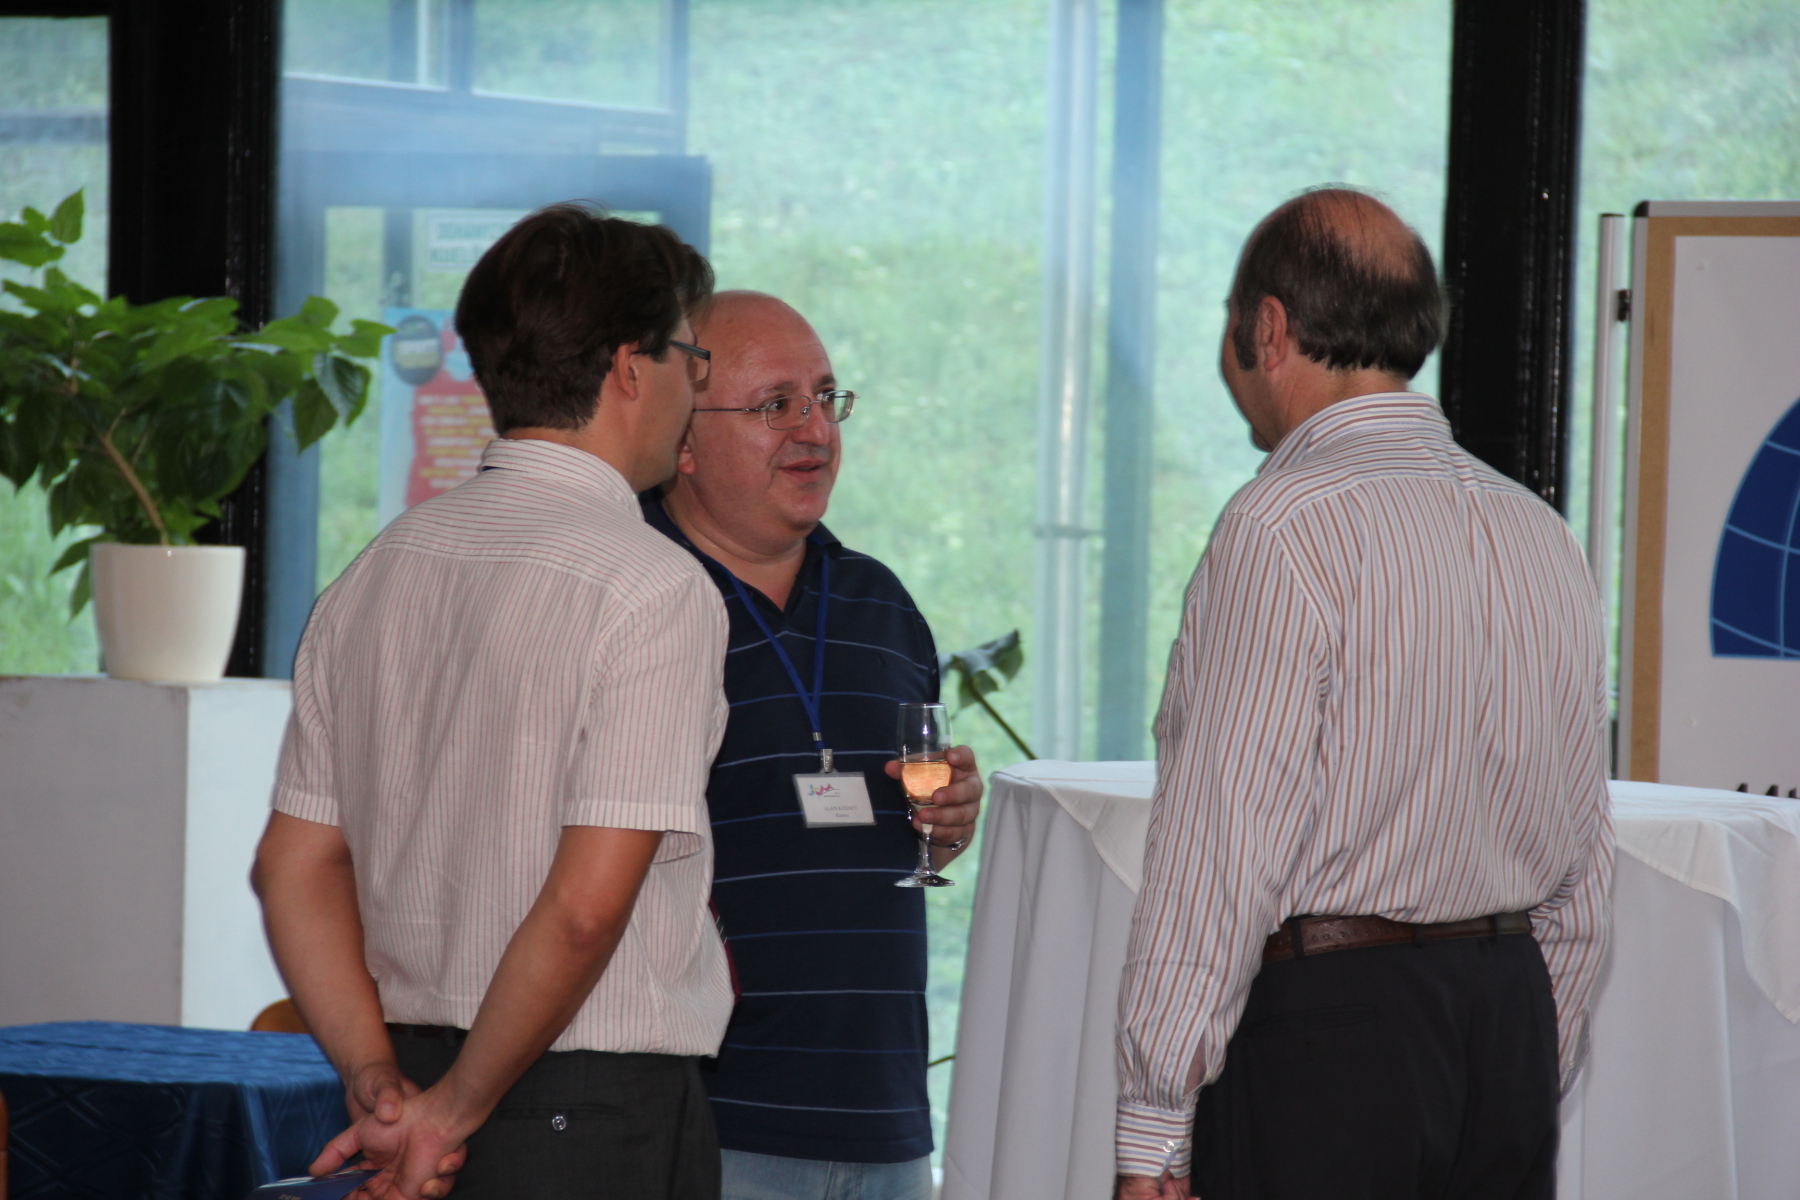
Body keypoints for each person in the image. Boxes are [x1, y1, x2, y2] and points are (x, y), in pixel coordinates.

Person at [1114, 189, 1612, 1200]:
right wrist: (1523, 1054)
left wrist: (1154, 1122)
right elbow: (1585, 861)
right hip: (1506, 1024)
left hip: (1332, 1039)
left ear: (1267, 329)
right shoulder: (1541, 534)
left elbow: (1224, 841)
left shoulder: (1280, 527)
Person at [251, 205, 733, 1200]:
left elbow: (289, 868)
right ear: (630, 368)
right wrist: (455, 1111)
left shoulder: (377, 569)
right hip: (585, 1110)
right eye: (692, 357)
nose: (696, 387)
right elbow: (584, 912)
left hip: (420, 1085)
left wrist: (382, 1085)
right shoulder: (652, 586)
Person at [639, 290, 983, 1199]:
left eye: (826, 398)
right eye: (775, 405)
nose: (815, 431)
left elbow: (887, 838)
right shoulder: (638, 600)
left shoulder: (882, 604)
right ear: (682, 439)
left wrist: (946, 824)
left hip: (886, 1119)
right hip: (714, 1124)